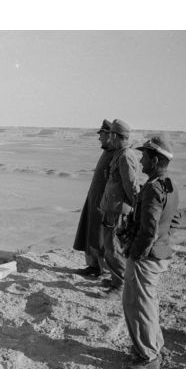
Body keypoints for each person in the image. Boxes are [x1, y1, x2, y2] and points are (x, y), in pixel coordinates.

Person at [121, 135, 180, 369]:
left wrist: (136, 255)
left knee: (137, 305)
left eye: (145, 156)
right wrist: (162, 241)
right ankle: (154, 346)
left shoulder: (154, 188)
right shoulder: (169, 184)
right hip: (159, 254)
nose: (141, 160)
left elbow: (148, 230)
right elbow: (175, 219)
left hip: (146, 259)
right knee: (148, 304)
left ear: (155, 160)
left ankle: (148, 357)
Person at [98, 119, 139, 297]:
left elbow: (132, 187)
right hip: (112, 209)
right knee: (110, 247)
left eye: (110, 135)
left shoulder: (125, 156)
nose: (109, 138)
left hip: (117, 212)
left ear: (115, 135)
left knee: (113, 248)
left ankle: (119, 286)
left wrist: (133, 210)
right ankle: (116, 279)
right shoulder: (120, 154)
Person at [73, 119, 114, 277]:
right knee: (91, 233)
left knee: (100, 236)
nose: (99, 138)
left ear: (110, 135)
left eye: (102, 135)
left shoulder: (116, 156)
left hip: (103, 203)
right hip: (94, 200)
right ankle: (93, 266)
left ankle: (104, 269)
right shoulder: (107, 152)